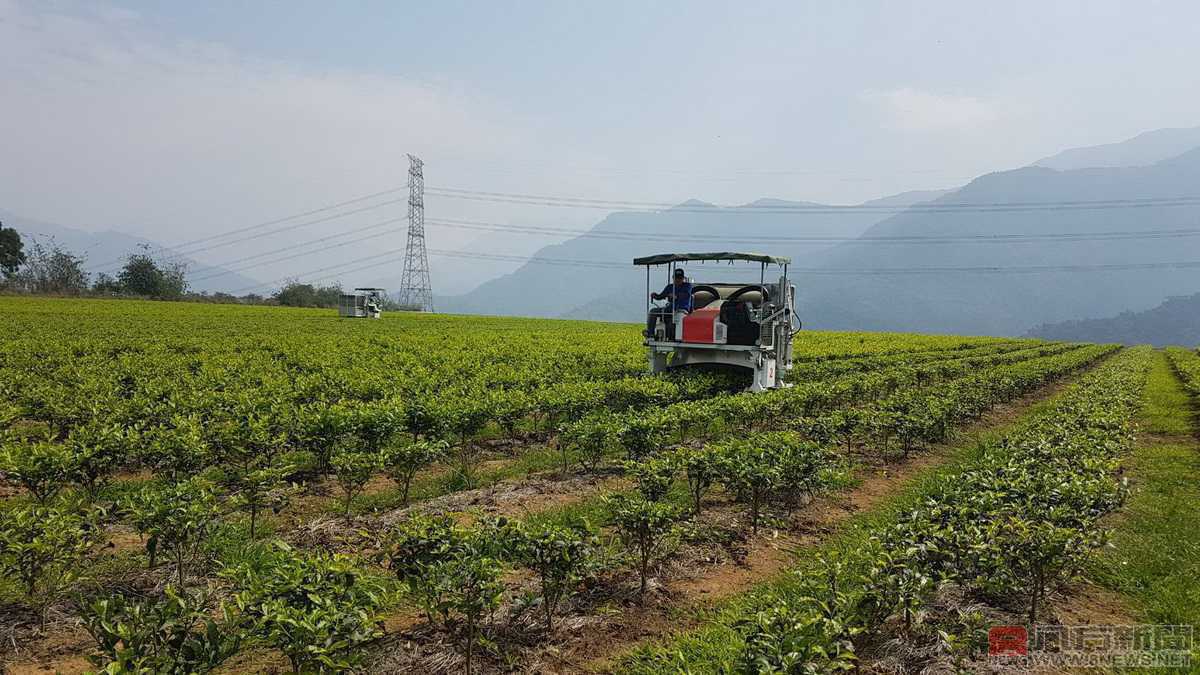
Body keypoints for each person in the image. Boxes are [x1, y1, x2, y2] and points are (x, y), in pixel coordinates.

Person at [645, 268, 692, 338]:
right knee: (653, 312)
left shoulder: (687, 286)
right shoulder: (670, 287)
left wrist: (676, 296)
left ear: (683, 278)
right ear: (673, 278)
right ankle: (650, 333)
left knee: (673, 320)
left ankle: (673, 336)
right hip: (670, 309)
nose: (678, 280)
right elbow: (661, 296)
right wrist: (655, 296)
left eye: (680, 278)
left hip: (682, 310)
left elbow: (686, 294)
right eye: (676, 278)